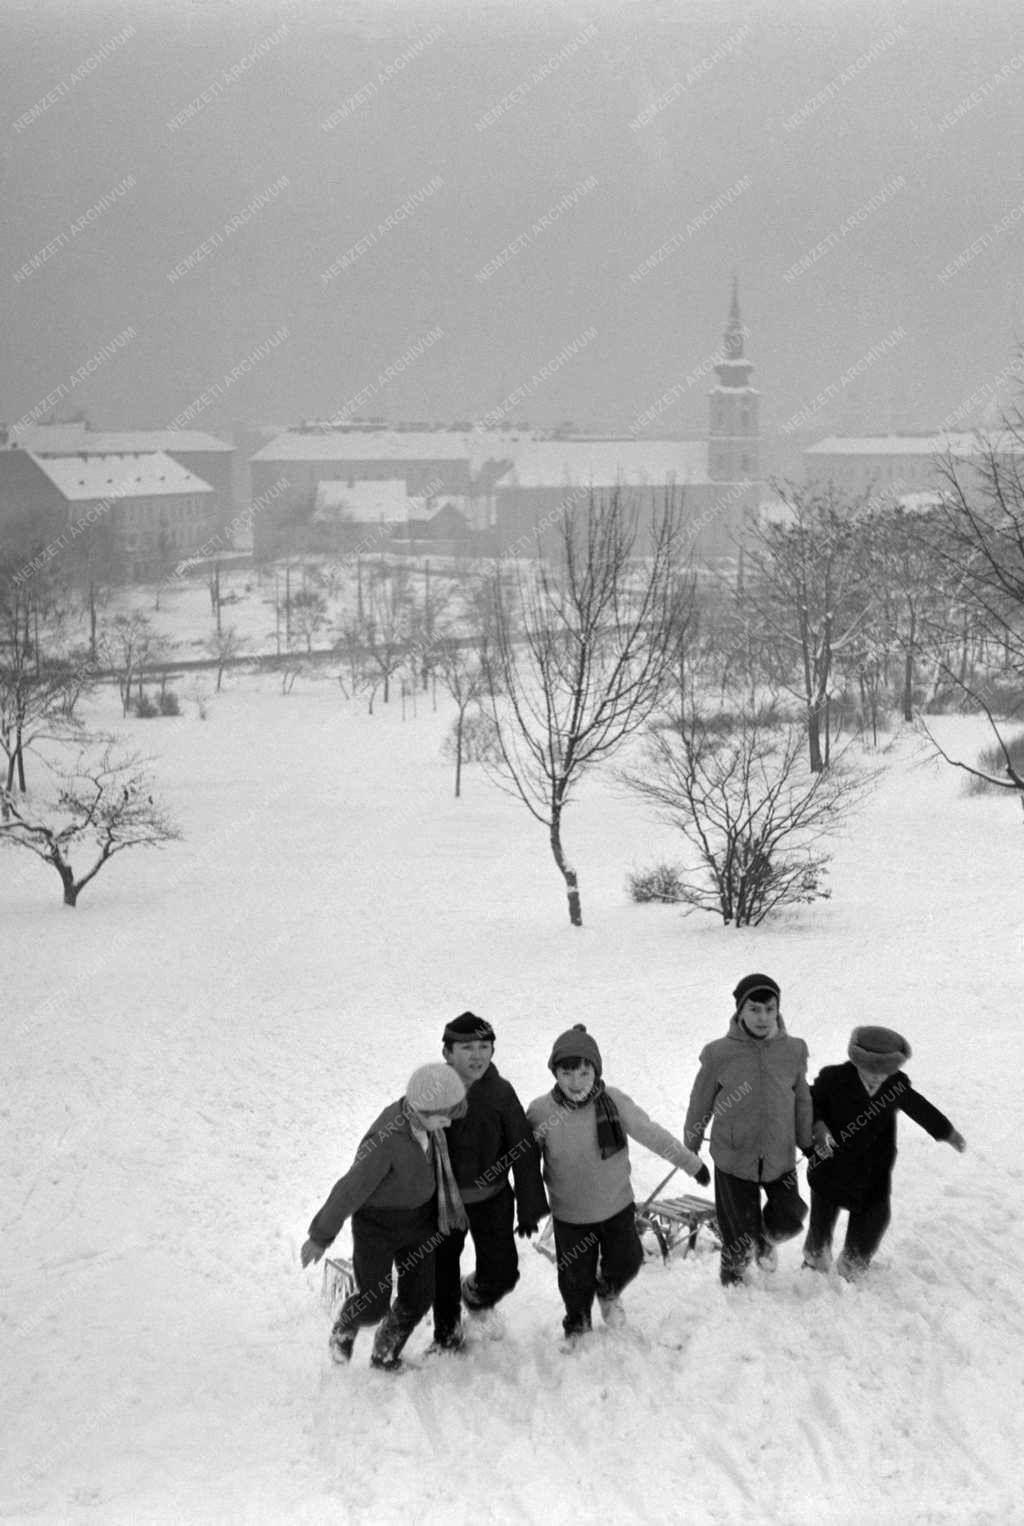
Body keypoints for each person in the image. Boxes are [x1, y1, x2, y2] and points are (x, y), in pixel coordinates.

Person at [527, 1023, 710, 1342]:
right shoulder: (542, 1111)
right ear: (554, 1072)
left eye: (584, 1073)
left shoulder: (612, 1101)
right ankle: (578, 1327)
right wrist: (524, 1206)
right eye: (566, 1073)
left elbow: (651, 1133)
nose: (575, 1082)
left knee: (629, 1260)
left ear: (596, 1071)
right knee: (574, 1279)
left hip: (617, 1206)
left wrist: (691, 1163)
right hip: (570, 1215)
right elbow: (524, 1161)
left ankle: (608, 1291)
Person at [299, 1062, 467, 1371]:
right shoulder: (386, 1139)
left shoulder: (431, 1126)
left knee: (419, 1297)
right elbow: (350, 1190)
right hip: (377, 1228)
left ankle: (385, 1352)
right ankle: (346, 1326)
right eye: (443, 1116)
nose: (448, 1123)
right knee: (373, 1303)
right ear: (422, 1110)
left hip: (419, 1224)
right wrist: (319, 1237)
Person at [802, 1025, 966, 1280]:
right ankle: (815, 1257)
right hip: (832, 1165)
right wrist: (818, 1125)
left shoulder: (895, 1085)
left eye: (885, 1073)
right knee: (822, 1218)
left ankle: (854, 1262)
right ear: (856, 1062)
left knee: (875, 1217)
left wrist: (946, 1131)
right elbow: (811, 1103)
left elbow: (919, 1108)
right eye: (870, 1071)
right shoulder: (833, 1079)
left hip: (872, 1168)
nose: (877, 1078)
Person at [684, 973, 813, 1287]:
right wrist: (692, 1143)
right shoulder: (719, 1054)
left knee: (789, 1217)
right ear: (739, 1011)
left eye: (770, 1009)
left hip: (779, 1154)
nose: (763, 1017)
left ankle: (765, 1238)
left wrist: (807, 1142)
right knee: (737, 1233)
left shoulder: (793, 1050)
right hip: (733, 1156)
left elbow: (802, 1100)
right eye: (754, 1009)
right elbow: (700, 1101)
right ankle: (734, 1283)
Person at [431, 1012, 548, 1352]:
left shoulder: (500, 1092)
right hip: (444, 1202)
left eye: (485, 1046)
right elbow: (412, 1146)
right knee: (442, 1274)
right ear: (447, 1053)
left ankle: (477, 1296)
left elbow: (523, 1150)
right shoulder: (433, 1090)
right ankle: (447, 1336)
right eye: (467, 1047)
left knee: (503, 1272)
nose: (478, 1054)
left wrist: (529, 1208)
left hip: (492, 1199)